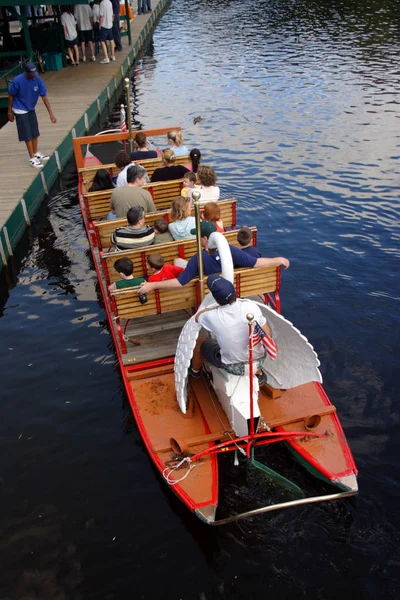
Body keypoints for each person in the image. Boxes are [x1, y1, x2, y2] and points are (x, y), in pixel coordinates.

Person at [139, 221, 290, 295]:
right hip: (233, 289)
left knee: (177, 261)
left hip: (207, 293)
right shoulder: (230, 250)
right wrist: (278, 259)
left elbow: (180, 282)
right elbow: (256, 263)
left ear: (204, 239)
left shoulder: (198, 259)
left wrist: (152, 285)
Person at [189, 274, 271, 377]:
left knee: (199, 343)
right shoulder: (251, 306)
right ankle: (258, 373)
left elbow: (197, 318)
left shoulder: (212, 316)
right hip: (258, 361)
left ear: (216, 299)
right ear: (235, 292)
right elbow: (265, 331)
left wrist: (209, 309)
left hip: (233, 367)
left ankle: (195, 371)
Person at [8, 61, 57, 168]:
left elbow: (44, 96)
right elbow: (11, 95)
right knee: (27, 134)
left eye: (34, 73)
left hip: (30, 108)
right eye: (31, 74)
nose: (33, 76)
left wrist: (51, 114)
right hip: (20, 109)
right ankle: (32, 158)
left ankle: (35, 152)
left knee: (35, 131)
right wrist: (9, 111)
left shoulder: (38, 79)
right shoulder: (18, 81)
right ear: (26, 72)